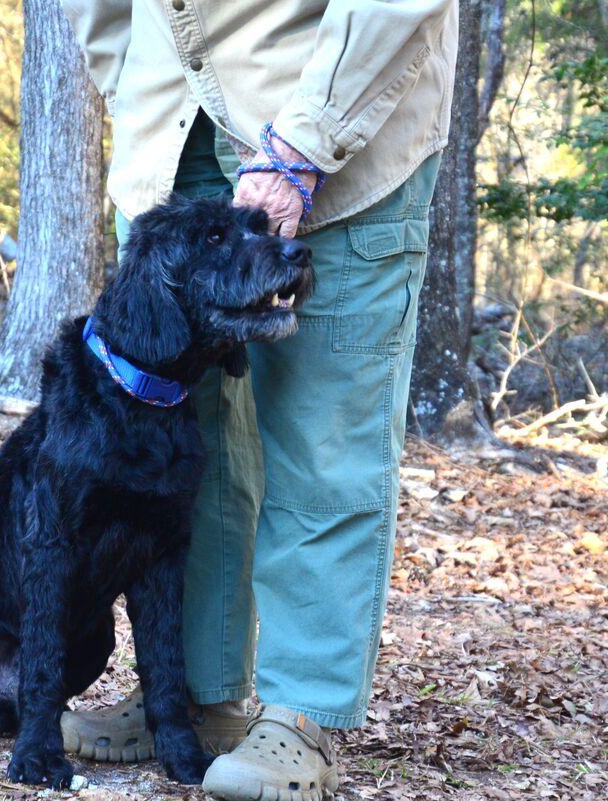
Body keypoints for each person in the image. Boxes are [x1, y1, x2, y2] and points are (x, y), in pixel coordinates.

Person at [58, 1, 458, 798]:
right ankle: (195, 697)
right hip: (170, 146)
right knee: (181, 452)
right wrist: (136, 88)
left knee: (322, 441)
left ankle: (301, 715)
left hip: (336, 136)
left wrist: (302, 144)